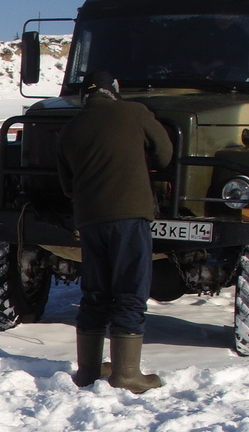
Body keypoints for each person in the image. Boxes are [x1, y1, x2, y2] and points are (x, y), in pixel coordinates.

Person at [57, 70, 173, 394]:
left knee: (95, 292)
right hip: (129, 215)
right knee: (130, 290)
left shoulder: (70, 129)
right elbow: (165, 154)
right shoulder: (134, 113)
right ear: (115, 91)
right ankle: (127, 374)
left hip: (89, 219)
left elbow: (67, 186)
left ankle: (88, 371)